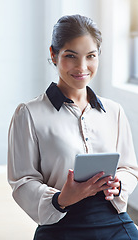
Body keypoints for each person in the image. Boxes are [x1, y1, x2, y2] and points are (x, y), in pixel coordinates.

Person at [8, 14, 138, 239]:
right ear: (53, 54)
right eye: (71, 56)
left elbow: (129, 169)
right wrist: (61, 199)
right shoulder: (28, 114)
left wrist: (118, 185)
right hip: (60, 222)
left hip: (113, 219)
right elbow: (22, 182)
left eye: (91, 56)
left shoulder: (114, 111)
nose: (82, 67)